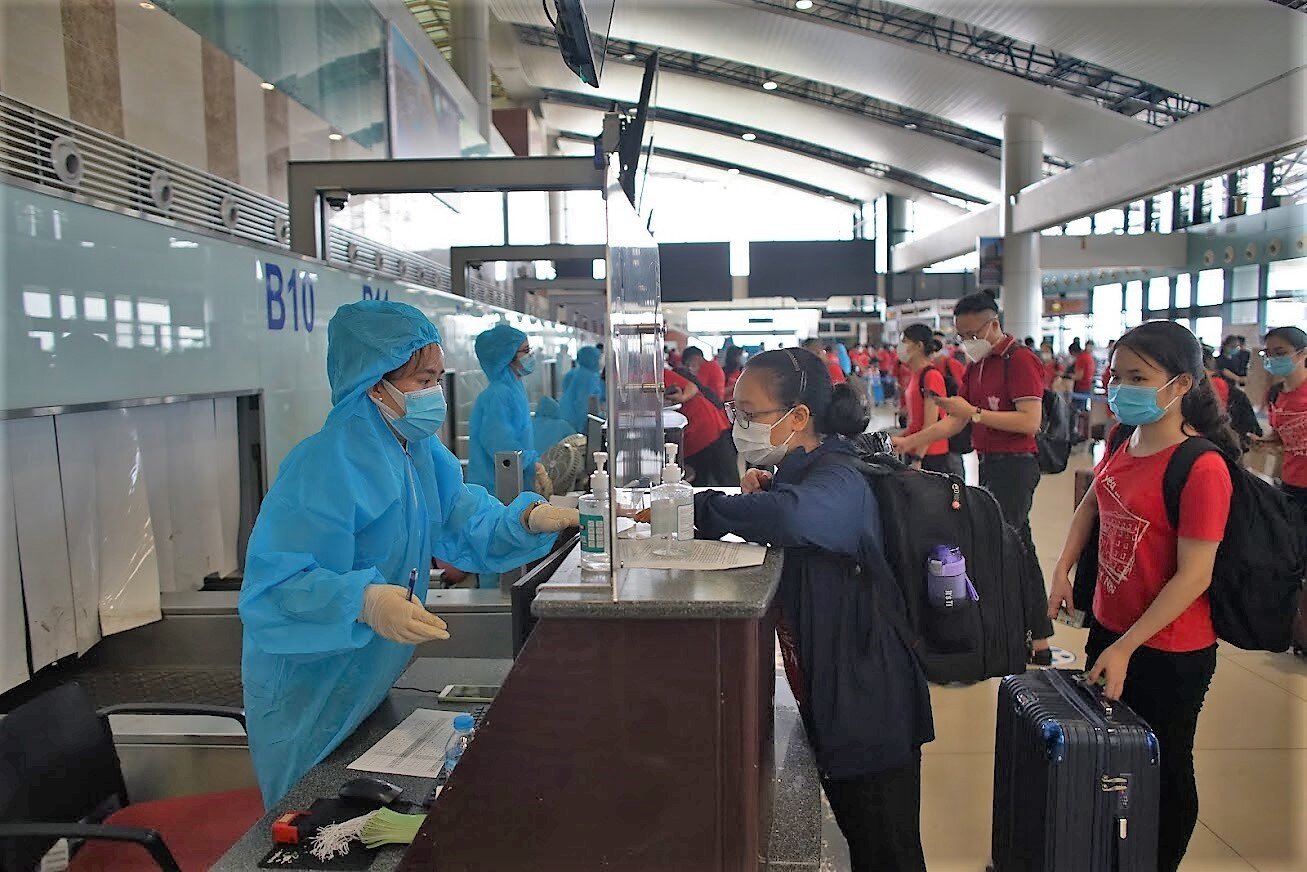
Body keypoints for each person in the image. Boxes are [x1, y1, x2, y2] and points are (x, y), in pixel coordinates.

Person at [239, 301, 576, 806]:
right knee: (310, 827)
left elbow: (462, 517)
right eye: (422, 381)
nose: (433, 394)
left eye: (437, 379)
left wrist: (524, 519)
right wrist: (364, 601)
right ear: (377, 383)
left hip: (369, 681)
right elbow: (275, 585)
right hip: (312, 692)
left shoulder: (416, 451)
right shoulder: (325, 464)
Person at [696, 348, 933, 872]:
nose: (738, 425)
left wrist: (705, 509)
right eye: (733, 412)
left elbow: (797, 518)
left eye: (749, 414)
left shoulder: (839, 475)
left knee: (887, 850)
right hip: (841, 688)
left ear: (799, 416)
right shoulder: (802, 469)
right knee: (866, 840)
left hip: (871, 699)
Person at [1048, 320, 1238, 872]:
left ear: (1180, 385)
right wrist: (1062, 569)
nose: (1118, 386)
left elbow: (1194, 575)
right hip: (1112, 629)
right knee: (1116, 758)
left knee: (1165, 764)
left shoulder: (1202, 468)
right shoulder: (1120, 440)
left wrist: (1127, 647)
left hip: (1170, 648)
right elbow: (1094, 502)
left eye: (1137, 376)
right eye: (1115, 374)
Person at [891, 292, 1054, 664]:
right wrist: (909, 441)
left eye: (971, 333)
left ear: (993, 324)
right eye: (960, 335)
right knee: (1019, 546)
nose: (966, 342)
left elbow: (1029, 421)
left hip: (1016, 466)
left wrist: (976, 413)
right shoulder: (976, 367)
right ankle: (1038, 635)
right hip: (990, 463)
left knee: (997, 546)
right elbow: (956, 419)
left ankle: (1000, 634)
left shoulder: (1020, 360)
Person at [468, 324, 548, 496]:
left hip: (514, 482)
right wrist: (533, 464)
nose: (530, 356)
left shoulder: (514, 387)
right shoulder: (499, 394)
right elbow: (502, 447)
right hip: (497, 489)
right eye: (525, 351)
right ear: (507, 357)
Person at [899, 324, 962, 478]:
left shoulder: (931, 376)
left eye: (904, 341)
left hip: (930, 454)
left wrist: (918, 458)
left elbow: (930, 424)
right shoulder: (916, 375)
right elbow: (915, 421)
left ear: (918, 346)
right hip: (914, 448)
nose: (900, 347)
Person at [1257, 325, 1307, 519]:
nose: (1273, 359)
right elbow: (1280, 435)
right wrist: (1265, 441)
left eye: (1280, 353)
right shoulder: (1275, 395)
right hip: (1291, 482)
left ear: (1303, 353)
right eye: (1268, 354)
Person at [664, 365, 737, 486]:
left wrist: (681, 398)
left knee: (728, 483)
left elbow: (691, 387)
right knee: (699, 487)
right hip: (689, 439)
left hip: (707, 426)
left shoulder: (659, 375)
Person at [560, 345, 605, 433]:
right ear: (592, 360)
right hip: (578, 422)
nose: (600, 362)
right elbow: (583, 403)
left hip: (566, 417)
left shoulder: (573, 373)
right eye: (598, 359)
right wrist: (585, 428)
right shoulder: (590, 377)